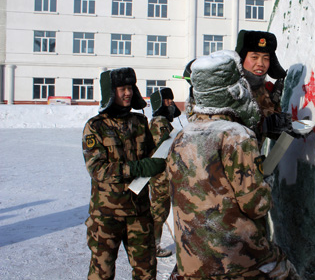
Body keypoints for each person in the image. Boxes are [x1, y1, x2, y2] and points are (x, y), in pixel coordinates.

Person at [166, 50, 300, 280]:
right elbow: (256, 205)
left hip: (191, 261)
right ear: (233, 91)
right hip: (233, 262)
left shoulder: (181, 136)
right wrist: (265, 181)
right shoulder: (237, 136)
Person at [82, 67, 166, 280]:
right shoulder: (95, 127)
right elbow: (97, 169)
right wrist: (136, 168)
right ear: (110, 91)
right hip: (106, 215)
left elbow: (152, 156)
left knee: (146, 272)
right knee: (102, 273)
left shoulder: (139, 122)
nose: (127, 93)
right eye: (121, 89)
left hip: (139, 212)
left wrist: (165, 146)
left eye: (130, 88)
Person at [235, 30, 294, 145]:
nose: (261, 63)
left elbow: (274, 132)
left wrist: (290, 126)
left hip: (251, 160)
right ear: (241, 58)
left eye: (266, 58)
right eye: (254, 57)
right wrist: (262, 123)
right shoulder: (226, 86)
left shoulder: (267, 91)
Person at [148, 87, 181, 258]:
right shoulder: (159, 122)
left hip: (165, 176)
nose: (171, 103)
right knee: (158, 213)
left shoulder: (163, 122)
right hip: (162, 177)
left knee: (161, 212)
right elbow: (163, 149)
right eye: (168, 100)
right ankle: (153, 247)